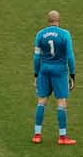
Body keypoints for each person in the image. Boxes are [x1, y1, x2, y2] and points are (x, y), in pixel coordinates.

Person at [32, 10, 76, 145]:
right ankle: (62, 137)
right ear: (58, 20)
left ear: (48, 20)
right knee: (61, 101)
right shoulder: (65, 34)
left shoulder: (40, 34)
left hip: (44, 70)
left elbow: (36, 57)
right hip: (59, 71)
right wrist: (72, 74)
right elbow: (70, 56)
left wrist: (36, 74)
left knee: (42, 101)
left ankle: (37, 135)